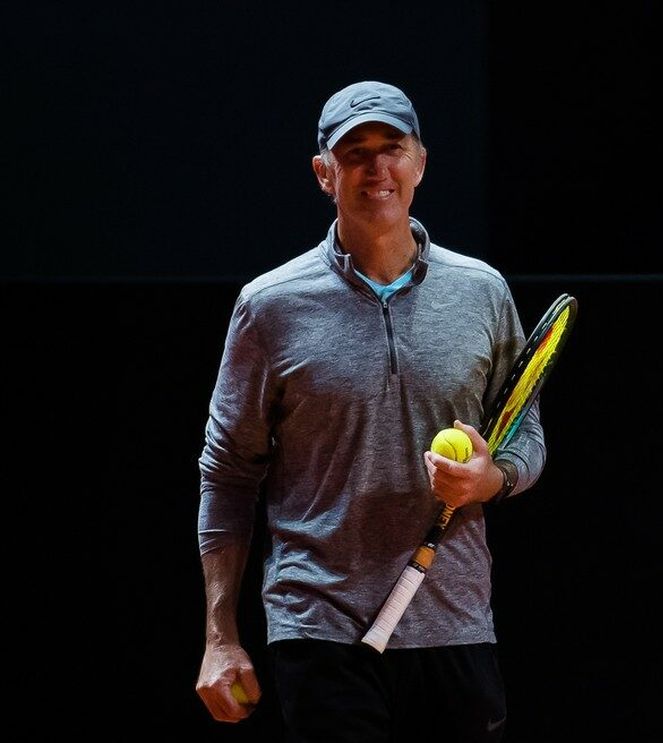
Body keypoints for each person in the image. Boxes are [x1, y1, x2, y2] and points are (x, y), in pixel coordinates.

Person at [193, 80, 544, 742]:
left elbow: (527, 440)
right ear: (324, 173)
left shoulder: (483, 291)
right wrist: (221, 635)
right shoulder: (269, 306)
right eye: (355, 152)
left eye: (392, 148)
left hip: (454, 625)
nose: (376, 167)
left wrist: (490, 479)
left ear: (420, 163)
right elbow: (228, 472)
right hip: (318, 626)